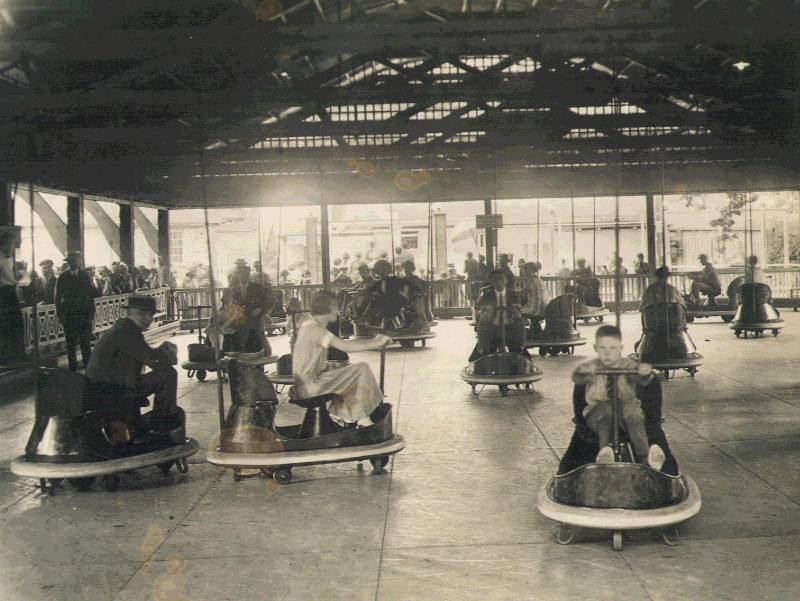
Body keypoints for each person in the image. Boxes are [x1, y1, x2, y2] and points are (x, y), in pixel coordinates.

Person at [571, 325, 665, 469]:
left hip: (626, 410)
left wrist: (643, 373)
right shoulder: (592, 366)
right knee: (606, 417)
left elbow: (641, 380)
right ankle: (605, 455)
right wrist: (582, 371)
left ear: (621, 348)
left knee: (633, 415)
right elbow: (577, 379)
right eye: (603, 348)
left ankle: (646, 458)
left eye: (613, 348)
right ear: (596, 348)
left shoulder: (628, 365)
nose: (608, 353)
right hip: (598, 412)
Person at [293, 291, 391, 427]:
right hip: (311, 387)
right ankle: (360, 417)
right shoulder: (316, 330)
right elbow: (345, 346)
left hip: (305, 385)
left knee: (352, 371)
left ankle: (342, 414)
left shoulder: (307, 325)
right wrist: (377, 342)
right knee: (361, 369)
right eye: (336, 307)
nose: (338, 311)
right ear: (327, 309)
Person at [86, 295, 180, 421]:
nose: (147, 318)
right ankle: (163, 423)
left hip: (105, 388)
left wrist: (162, 349)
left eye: (150, 314)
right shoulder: (127, 331)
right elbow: (154, 362)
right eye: (141, 314)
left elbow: (145, 354)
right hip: (111, 392)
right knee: (168, 374)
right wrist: (169, 355)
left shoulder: (125, 328)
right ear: (129, 313)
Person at [469, 269, 526, 361]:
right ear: (492, 281)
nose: (499, 282)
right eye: (495, 279)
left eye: (501, 279)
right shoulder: (486, 295)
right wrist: (485, 312)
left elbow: (519, 312)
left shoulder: (514, 295)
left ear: (506, 280)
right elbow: (480, 309)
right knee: (483, 354)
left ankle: (520, 354)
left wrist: (516, 312)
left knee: (519, 352)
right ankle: (482, 357)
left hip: (510, 328)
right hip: (492, 328)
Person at [55, 251, 98, 371]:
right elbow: (57, 297)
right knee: (71, 345)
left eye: (77, 260)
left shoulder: (85, 275)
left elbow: (92, 294)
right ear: (68, 263)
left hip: (84, 315)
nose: (75, 263)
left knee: (85, 344)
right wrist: (60, 315)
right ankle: (73, 369)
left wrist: (91, 313)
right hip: (70, 316)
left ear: (79, 261)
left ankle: (88, 368)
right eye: (72, 261)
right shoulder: (63, 277)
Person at [221, 263, 273, 353]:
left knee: (251, 328)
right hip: (240, 317)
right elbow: (227, 304)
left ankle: (256, 351)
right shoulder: (235, 289)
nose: (243, 276)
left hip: (255, 316)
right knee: (221, 325)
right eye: (241, 274)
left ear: (249, 275)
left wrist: (260, 309)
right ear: (238, 275)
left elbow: (269, 301)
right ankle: (225, 350)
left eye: (245, 274)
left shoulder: (257, 287)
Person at [0, 229, 24, 363]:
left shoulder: (9, 259)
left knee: (15, 325)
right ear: (3, 244)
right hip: (3, 294)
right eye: (10, 244)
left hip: (10, 292)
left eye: (14, 244)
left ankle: (15, 355)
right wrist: (10, 283)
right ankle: (7, 356)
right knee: (7, 326)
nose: (13, 247)